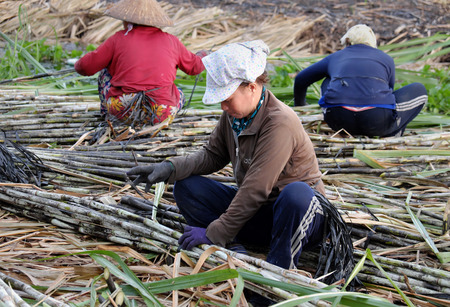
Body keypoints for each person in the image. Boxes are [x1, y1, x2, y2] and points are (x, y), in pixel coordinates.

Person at [126, 40, 354, 297]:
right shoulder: (234, 116)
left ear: (252, 87)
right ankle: (236, 245)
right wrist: (168, 168)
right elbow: (211, 156)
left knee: (296, 194)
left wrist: (213, 233)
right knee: (187, 186)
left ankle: (276, 278)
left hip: (299, 218)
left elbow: (256, 188)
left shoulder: (279, 123)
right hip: (261, 213)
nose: (223, 106)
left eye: (227, 98)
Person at [74, 0, 206, 126]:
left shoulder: (118, 38)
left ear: (128, 21)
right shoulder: (172, 41)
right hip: (161, 113)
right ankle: (158, 123)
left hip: (123, 111)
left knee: (104, 73)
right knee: (178, 92)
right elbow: (195, 67)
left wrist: (78, 64)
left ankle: (107, 116)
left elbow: (85, 67)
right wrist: (203, 54)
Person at [293, 24, 428, 137]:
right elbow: (390, 93)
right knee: (420, 90)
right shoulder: (386, 59)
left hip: (338, 120)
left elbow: (300, 80)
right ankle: (395, 132)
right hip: (376, 122)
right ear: (373, 44)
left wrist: (300, 107)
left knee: (330, 79)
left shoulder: (335, 57)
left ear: (347, 42)